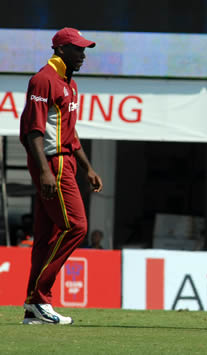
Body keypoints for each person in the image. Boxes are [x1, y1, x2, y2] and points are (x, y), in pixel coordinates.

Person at [19, 27, 103, 325]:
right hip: (52, 166)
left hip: (63, 163)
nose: (83, 55)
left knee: (46, 237)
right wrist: (43, 169)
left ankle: (33, 309)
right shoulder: (44, 79)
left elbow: (69, 131)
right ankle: (40, 297)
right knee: (77, 226)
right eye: (78, 49)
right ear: (61, 50)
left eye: (84, 50)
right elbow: (33, 130)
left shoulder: (70, 83)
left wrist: (88, 167)